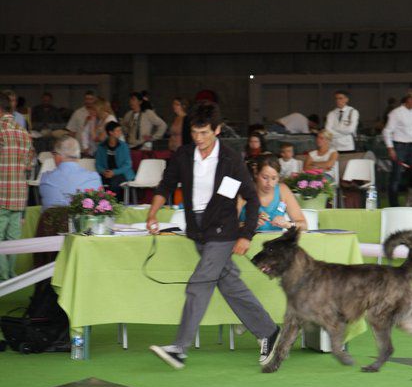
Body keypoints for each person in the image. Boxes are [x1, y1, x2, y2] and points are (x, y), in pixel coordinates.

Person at [146, 101, 280, 370]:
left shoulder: (231, 159)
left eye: (205, 132)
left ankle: (179, 349)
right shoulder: (184, 155)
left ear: (217, 130)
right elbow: (166, 185)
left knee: (200, 283)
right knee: (228, 282)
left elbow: (251, 199)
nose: (199, 139)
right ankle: (269, 331)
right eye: (195, 133)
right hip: (197, 229)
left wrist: (246, 235)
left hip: (223, 229)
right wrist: (153, 213)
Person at [0, 92, 36, 281]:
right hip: (18, 193)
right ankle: (11, 275)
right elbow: (30, 164)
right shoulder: (23, 132)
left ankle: (3, 276)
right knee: (13, 239)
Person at [239, 154, 307, 232]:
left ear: (278, 177)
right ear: (256, 173)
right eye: (265, 177)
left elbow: (304, 225)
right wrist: (249, 224)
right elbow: (228, 226)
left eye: (274, 178)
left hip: (276, 243)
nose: (269, 183)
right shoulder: (245, 192)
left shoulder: (283, 190)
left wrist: (288, 224)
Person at [382, 89, 412, 207]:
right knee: (396, 176)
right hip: (399, 146)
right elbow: (387, 131)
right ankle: (394, 205)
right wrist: (390, 148)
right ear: (410, 100)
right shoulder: (396, 113)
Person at [39, 135, 101, 209]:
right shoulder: (94, 177)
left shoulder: (46, 178)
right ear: (78, 157)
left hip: (55, 219)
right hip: (86, 219)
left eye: (54, 154)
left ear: (58, 156)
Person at [95, 121, 135, 199]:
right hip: (106, 173)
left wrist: (114, 172)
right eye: (118, 130)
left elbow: (128, 164)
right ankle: (99, 205)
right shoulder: (101, 146)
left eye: (120, 130)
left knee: (114, 183)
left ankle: (114, 205)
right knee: (95, 181)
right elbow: (98, 164)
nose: (120, 132)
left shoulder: (124, 146)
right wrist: (103, 172)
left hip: (121, 173)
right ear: (111, 132)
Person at [66, 90, 98, 156]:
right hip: (80, 149)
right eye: (86, 99)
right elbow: (72, 132)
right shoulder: (77, 113)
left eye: (91, 99)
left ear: (95, 100)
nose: (88, 101)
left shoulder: (99, 113)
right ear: (84, 100)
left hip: (96, 149)